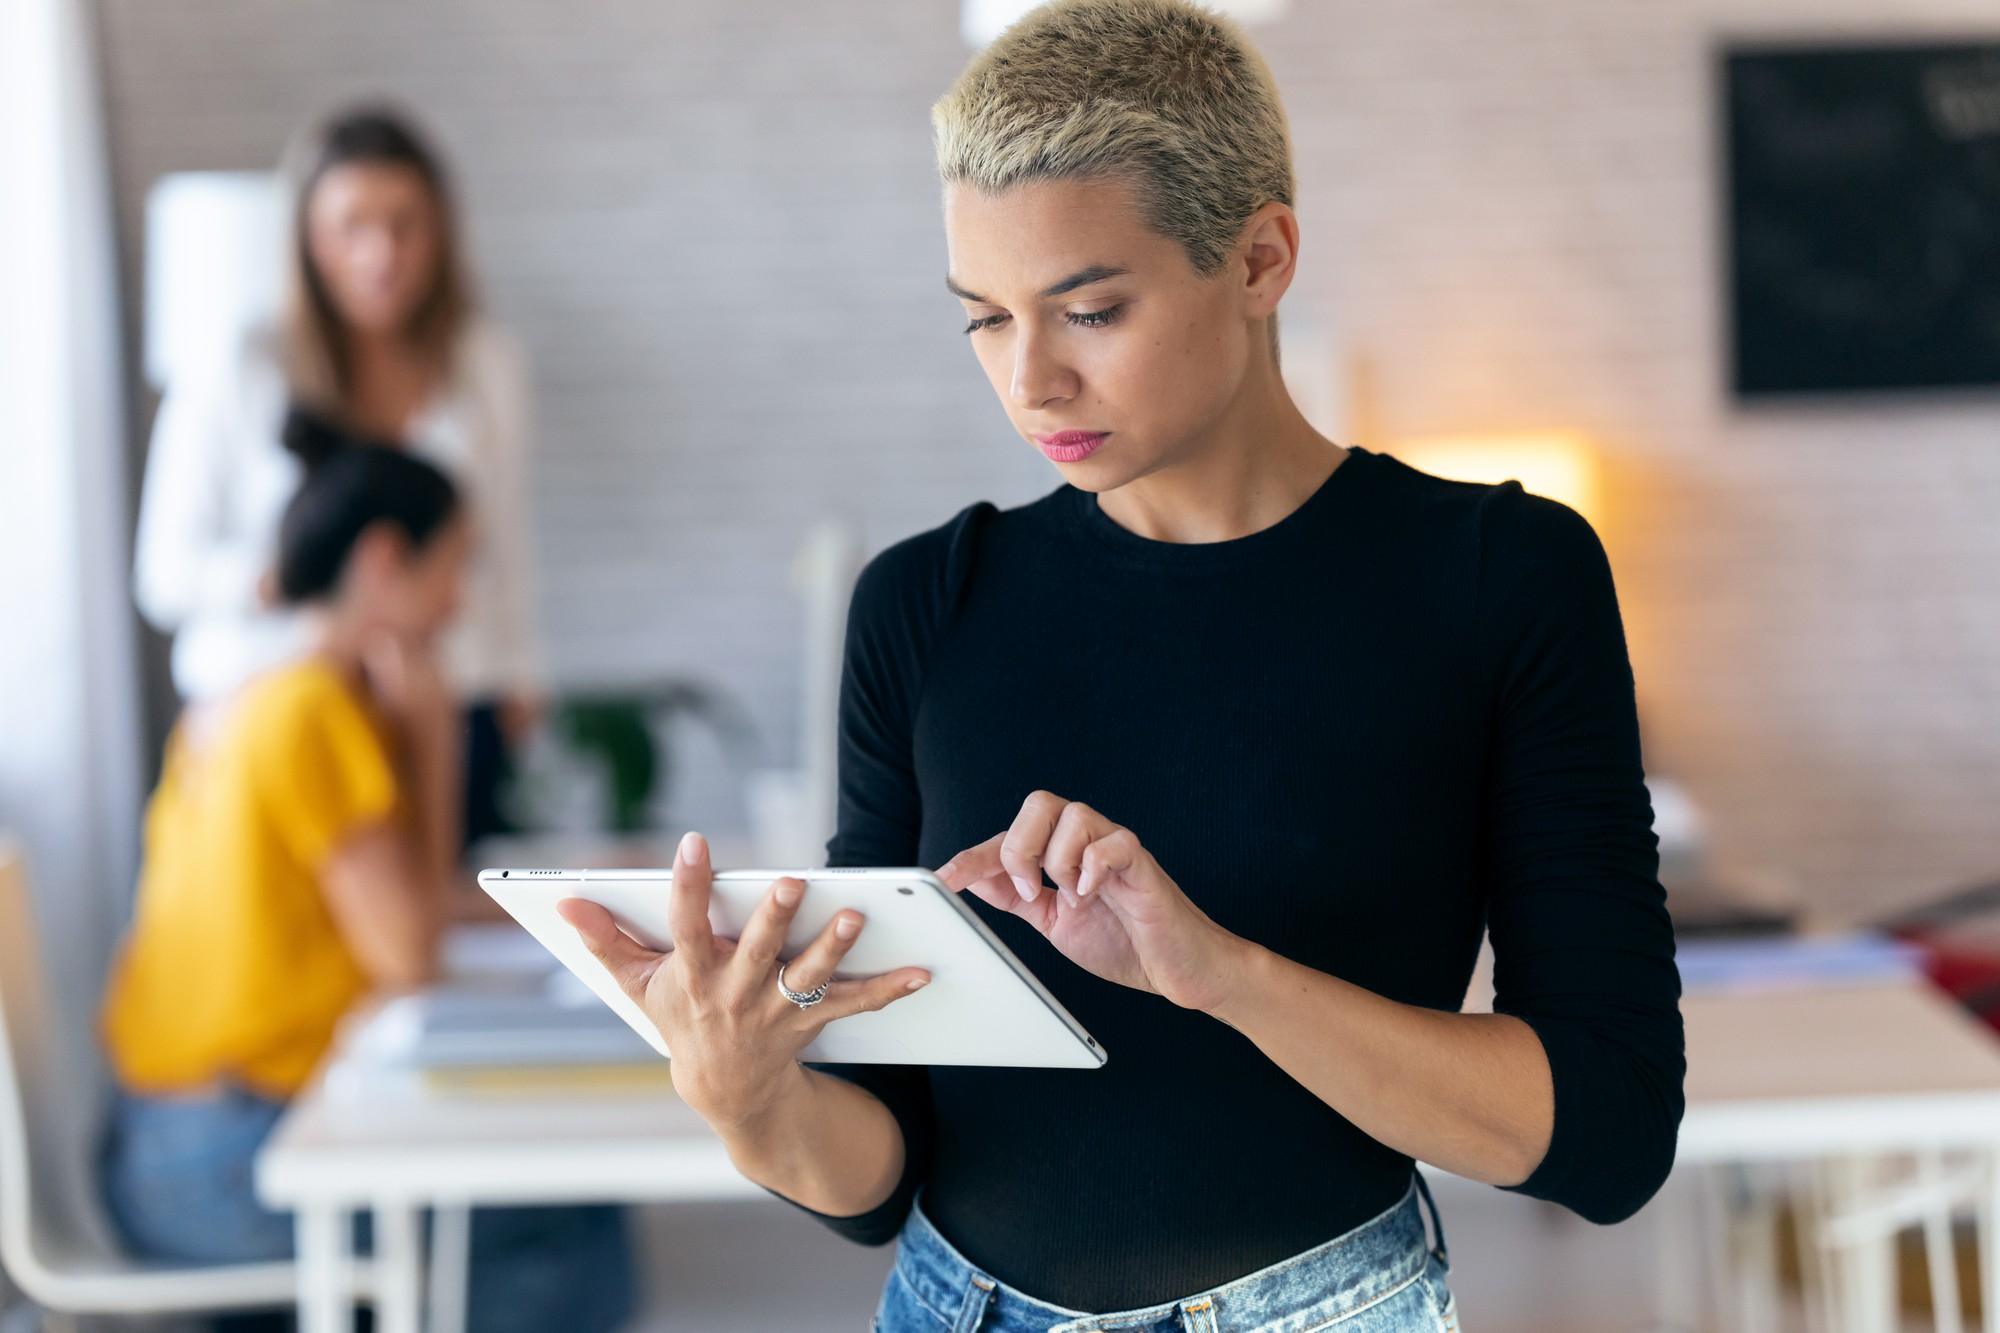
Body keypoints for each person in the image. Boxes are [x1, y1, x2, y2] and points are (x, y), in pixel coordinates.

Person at [561, 2, 1685, 1329]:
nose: (1031, 382)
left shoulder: (1502, 578)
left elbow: (1607, 1134)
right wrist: (748, 1095)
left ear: (1261, 257)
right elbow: (879, 1163)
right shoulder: (927, 605)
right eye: (983, 319)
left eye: (1088, 309)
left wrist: (1218, 972)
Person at [100, 415, 634, 1333]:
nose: (460, 604)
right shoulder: (311, 711)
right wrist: (431, 736)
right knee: (575, 1226)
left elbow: (404, 911)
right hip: (220, 1153)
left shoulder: (259, 688)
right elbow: (410, 951)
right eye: (453, 568)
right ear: (386, 561)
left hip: (176, 1134)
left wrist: (575, 894)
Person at [133, 103, 541, 849]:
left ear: (441, 228)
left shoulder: (486, 364)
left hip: (444, 701)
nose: (380, 251)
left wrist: (519, 671)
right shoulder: (240, 365)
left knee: (451, 936)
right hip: (289, 702)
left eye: (405, 222)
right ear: (307, 236)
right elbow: (164, 574)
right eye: (352, 225)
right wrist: (295, 584)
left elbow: (502, 533)